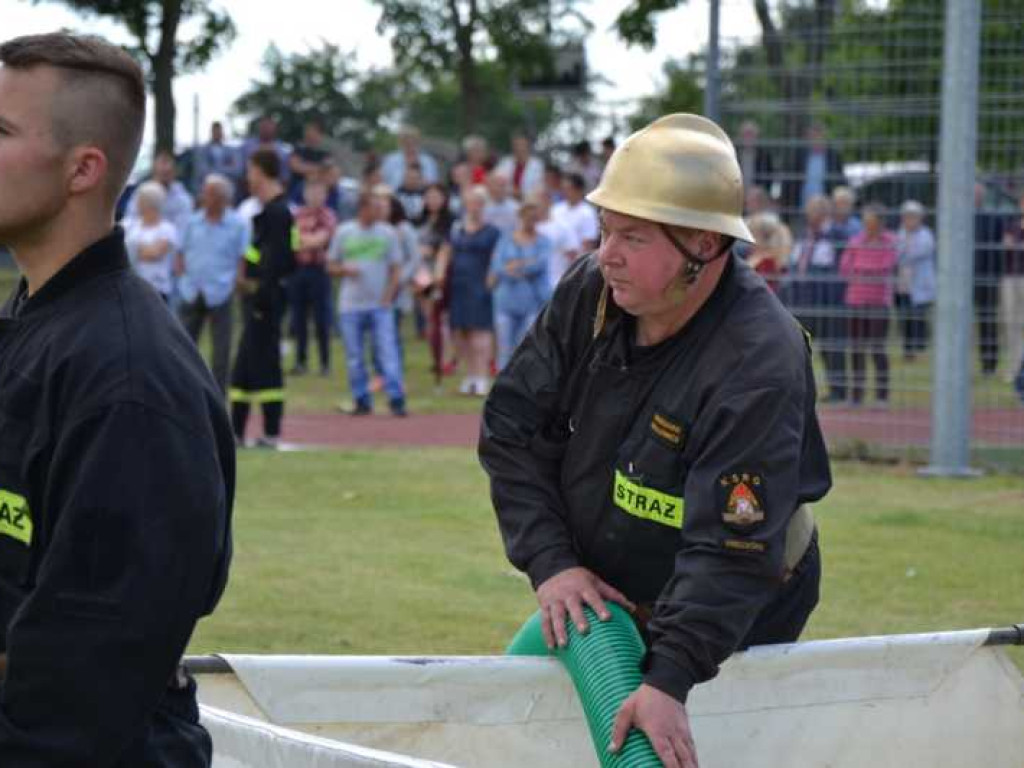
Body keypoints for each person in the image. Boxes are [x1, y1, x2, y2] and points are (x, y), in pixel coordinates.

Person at [479, 114, 830, 768]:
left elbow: (731, 550)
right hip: (612, 580)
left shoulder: (757, 362)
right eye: (605, 227)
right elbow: (513, 429)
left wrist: (669, 677)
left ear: (702, 242)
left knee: (685, 742)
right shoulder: (595, 289)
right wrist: (552, 564)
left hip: (741, 596)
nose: (606, 251)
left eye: (631, 235)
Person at [0, 32, 233, 766]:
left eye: (1, 132)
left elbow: (85, 670)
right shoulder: (35, 320)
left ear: (83, 169)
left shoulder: (129, 381)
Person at [230, 148, 295, 448]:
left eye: (250, 171)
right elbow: (262, 255)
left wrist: (261, 295)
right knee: (243, 365)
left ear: (261, 172)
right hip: (256, 296)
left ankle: (270, 432)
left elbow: (279, 261)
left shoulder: (278, 212)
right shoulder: (266, 213)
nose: (247, 177)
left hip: (266, 300)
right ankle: (236, 432)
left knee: (266, 363)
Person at [327, 193, 406, 416]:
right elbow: (331, 264)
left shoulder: (387, 233)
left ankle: (396, 398)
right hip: (350, 305)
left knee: (387, 351)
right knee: (354, 356)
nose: (379, 212)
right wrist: (343, 270)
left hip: (379, 305)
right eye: (374, 207)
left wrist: (388, 296)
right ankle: (361, 398)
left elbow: (396, 268)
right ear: (362, 208)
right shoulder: (345, 232)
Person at [178, 173, 249, 393]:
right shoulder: (191, 221)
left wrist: (239, 278)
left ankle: (218, 396)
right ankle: (184, 391)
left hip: (221, 291)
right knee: (183, 347)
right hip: (191, 291)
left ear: (222, 198)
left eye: (209, 194)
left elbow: (244, 256)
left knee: (222, 350)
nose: (204, 197)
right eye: (205, 192)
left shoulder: (238, 224)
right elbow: (180, 252)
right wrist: (182, 277)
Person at [438, 186, 501, 396]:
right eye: (470, 202)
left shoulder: (492, 231)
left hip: (479, 284)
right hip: (458, 284)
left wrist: (491, 281)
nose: (473, 207)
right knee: (461, 332)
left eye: (477, 203)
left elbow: (497, 258)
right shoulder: (457, 229)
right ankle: (469, 375)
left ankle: (481, 377)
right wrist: (438, 275)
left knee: (479, 332)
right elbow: (445, 252)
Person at [788, 194, 847, 403]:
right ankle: (800, 390)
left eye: (813, 212)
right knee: (799, 346)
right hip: (803, 300)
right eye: (808, 212)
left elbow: (838, 267)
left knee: (831, 348)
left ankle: (839, 391)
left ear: (824, 213)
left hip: (828, 300)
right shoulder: (804, 235)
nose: (809, 216)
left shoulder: (837, 235)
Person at [840, 204, 898, 406]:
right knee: (856, 349)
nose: (869, 227)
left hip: (879, 302)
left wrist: (862, 269)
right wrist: (867, 270)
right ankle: (856, 395)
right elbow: (845, 267)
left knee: (877, 348)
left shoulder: (890, 241)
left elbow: (886, 266)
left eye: (872, 223)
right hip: (855, 300)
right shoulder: (855, 241)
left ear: (881, 223)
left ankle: (882, 396)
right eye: (866, 223)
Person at [488, 201, 552, 370]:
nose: (530, 220)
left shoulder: (543, 241)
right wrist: (522, 265)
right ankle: (503, 385)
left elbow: (540, 265)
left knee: (526, 345)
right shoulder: (506, 239)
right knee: (504, 347)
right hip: (505, 300)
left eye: (534, 217)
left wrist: (515, 264)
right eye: (527, 217)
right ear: (521, 216)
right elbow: (497, 266)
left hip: (532, 301)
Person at [290, 176, 338, 377]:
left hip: (319, 270)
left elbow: (320, 240)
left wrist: (304, 240)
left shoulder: (328, 215)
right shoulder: (296, 215)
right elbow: (292, 242)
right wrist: (306, 241)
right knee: (298, 319)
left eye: (320, 192)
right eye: (312, 192)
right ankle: (300, 362)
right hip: (298, 270)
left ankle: (325, 363)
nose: (315, 196)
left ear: (325, 195)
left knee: (321, 319)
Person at [780, 122, 846, 223]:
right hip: (801, 208)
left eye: (819, 135)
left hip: (825, 209)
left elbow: (840, 181)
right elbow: (790, 181)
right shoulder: (799, 156)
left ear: (824, 136)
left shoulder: (833, 156)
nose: (816, 138)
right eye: (813, 135)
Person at [895, 200, 936, 360]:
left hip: (920, 283)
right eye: (907, 217)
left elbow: (918, 252)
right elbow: (897, 254)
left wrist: (904, 252)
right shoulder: (900, 233)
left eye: (913, 217)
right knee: (904, 317)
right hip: (903, 283)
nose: (910, 220)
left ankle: (920, 348)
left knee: (918, 316)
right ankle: (908, 350)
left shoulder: (926, 234)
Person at [124, 180, 178, 301]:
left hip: (157, 290)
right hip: (132, 288)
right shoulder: (130, 225)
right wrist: (142, 248)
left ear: (146, 203)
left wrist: (131, 247)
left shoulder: (167, 229)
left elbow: (154, 253)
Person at [974, 182, 1005, 376]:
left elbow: (998, 251)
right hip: (964, 280)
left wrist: (996, 277)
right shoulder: (959, 219)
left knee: (988, 321)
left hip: (987, 278)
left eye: (977, 194)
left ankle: (989, 365)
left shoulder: (993, 219)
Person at [533, 188, 581, 292]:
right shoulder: (526, 229)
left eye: (540, 200)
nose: (536, 205)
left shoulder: (562, 227)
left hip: (555, 284)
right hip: (530, 290)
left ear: (548, 201)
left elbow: (573, 258)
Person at [1001, 190, 1024, 383]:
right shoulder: (1012, 225)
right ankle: (1014, 369)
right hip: (1011, 278)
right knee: (1012, 325)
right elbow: (1007, 246)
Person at [552, 173, 600, 254]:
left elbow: (588, 242)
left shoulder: (587, 213)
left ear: (579, 190)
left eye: (569, 189)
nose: (565, 192)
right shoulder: (556, 209)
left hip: (576, 259)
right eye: (564, 189)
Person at [381, 125, 440, 191]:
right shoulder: (390, 160)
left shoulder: (429, 161)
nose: (410, 144)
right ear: (401, 142)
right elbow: (384, 183)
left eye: (413, 141)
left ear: (418, 142)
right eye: (406, 141)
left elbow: (434, 184)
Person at [288, 117, 331, 204]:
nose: (309, 133)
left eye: (312, 130)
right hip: (296, 191)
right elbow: (295, 166)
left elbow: (329, 172)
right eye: (308, 130)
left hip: (317, 193)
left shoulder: (325, 152)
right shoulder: (299, 149)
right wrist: (318, 168)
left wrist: (307, 168)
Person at [194, 119, 242, 191]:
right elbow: (202, 171)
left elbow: (237, 170)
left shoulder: (232, 151)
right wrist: (225, 169)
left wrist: (215, 170)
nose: (217, 133)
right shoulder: (202, 151)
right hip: (208, 189)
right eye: (215, 131)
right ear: (211, 132)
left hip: (228, 189)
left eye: (219, 131)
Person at [496, 133, 545, 201]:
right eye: (516, 145)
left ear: (528, 146)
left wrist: (520, 193)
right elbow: (498, 181)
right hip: (507, 200)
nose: (519, 148)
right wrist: (510, 191)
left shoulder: (537, 165)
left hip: (529, 201)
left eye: (522, 145)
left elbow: (539, 187)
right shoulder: (505, 162)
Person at [736, 119, 774, 193]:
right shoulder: (735, 155)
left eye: (751, 134)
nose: (748, 138)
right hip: (738, 194)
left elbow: (769, 178)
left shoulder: (765, 156)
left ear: (757, 136)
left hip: (757, 197)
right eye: (746, 134)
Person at [483, 171, 520, 239]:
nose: (501, 189)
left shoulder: (516, 208)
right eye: (498, 185)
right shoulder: (482, 206)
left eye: (503, 186)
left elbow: (519, 232)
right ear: (489, 187)